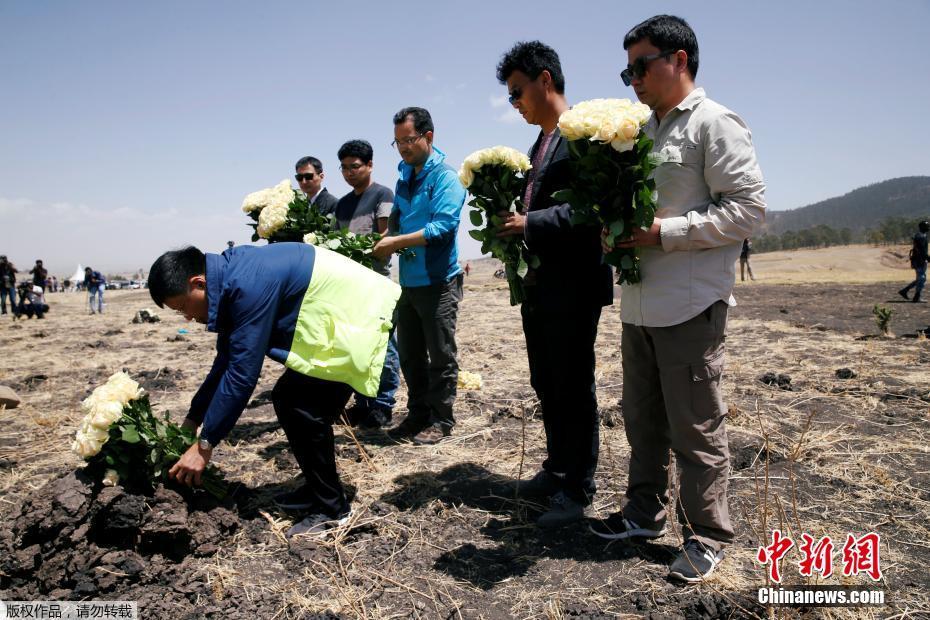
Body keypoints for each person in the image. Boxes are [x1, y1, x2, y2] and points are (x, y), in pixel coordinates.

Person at [591, 15, 766, 583]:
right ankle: (643, 514)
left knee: (695, 427)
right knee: (642, 421)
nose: (632, 79)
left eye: (641, 66)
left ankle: (708, 535)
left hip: (690, 305)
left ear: (680, 59)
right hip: (640, 302)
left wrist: (664, 233)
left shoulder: (714, 124)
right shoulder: (642, 130)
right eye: (627, 69)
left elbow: (748, 211)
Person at [148, 243, 400, 537]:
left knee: (302, 406)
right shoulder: (232, 279)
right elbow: (225, 362)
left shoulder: (245, 285)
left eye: (182, 308)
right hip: (341, 315)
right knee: (291, 400)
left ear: (199, 283)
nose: (187, 318)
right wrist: (193, 420)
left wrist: (205, 445)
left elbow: (242, 375)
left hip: (360, 314)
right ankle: (319, 489)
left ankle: (333, 510)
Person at [494, 41, 614, 528]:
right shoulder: (539, 144)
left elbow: (595, 208)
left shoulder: (582, 138)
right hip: (541, 286)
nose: (515, 103)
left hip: (574, 283)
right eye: (509, 97)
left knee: (571, 384)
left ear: (545, 80)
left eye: (517, 91)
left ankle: (578, 487)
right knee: (546, 380)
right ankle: (557, 467)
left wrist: (530, 224)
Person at [372, 107, 466, 441]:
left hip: (438, 281)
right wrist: (385, 238)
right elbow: (396, 217)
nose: (403, 148)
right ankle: (417, 415)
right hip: (408, 283)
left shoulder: (446, 178)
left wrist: (395, 241)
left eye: (408, 140)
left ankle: (442, 420)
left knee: (440, 355)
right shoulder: (404, 176)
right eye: (397, 142)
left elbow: (442, 227)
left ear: (428, 136)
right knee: (411, 356)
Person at [334, 139, 401, 429]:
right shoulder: (343, 205)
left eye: (355, 166)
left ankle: (383, 404)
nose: (349, 172)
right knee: (356, 346)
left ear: (370, 165)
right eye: (345, 168)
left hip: (376, 284)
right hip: (350, 287)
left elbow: (384, 238)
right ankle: (362, 403)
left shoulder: (382, 195)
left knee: (383, 346)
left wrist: (356, 248)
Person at [899, 220, 928, 303]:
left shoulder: (922, 235)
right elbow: (921, 250)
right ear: (922, 227)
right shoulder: (920, 236)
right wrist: (928, 258)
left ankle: (905, 291)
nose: (928, 227)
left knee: (920, 279)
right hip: (919, 261)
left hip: (920, 260)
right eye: (926, 226)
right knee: (922, 278)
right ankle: (916, 296)